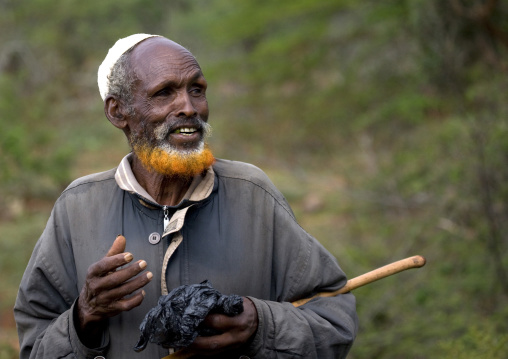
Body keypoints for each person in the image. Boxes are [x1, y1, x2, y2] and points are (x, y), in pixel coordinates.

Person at [14, 34, 358, 359]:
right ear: (118, 112)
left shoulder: (253, 194)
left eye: (197, 90)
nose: (189, 107)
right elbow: (34, 345)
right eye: (165, 93)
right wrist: (84, 314)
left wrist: (261, 326)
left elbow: (333, 318)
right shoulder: (77, 208)